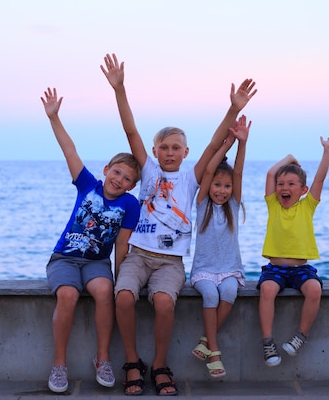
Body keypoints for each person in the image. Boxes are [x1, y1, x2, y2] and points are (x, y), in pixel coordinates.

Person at [101, 53, 256, 395]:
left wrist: (232, 110)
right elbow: (130, 130)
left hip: (171, 261)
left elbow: (217, 143)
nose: (170, 152)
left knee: (164, 303)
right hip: (139, 254)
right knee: (124, 296)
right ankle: (132, 362)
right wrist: (120, 89)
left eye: (176, 148)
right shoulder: (150, 171)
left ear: (186, 152)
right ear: (155, 152)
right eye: (164, 148)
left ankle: (159, 364)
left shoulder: (191, 179)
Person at [41, 87, 142, 393]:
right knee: (68, 295)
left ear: (132, 186)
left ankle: (103, 358)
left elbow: (122, 245)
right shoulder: (87, 185)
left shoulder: (130, 205)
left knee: (103, 291)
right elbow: (69, 150)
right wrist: (54, 117)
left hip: (97, 262)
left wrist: (121, 275)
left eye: (127, 179)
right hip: (65, 258)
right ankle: (59, 364)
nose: (119, 180)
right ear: (106, 169)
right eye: (116, 172)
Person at [257, 136, 329, 367]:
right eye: (281, 184)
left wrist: (327, 151)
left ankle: (300, 336)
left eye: (291, 184)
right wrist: (290, 158)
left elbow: (320, 178)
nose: (284, 188)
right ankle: (267, 342)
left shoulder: (307, 205)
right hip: (275, 269)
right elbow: (269, 174)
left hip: (301, 269)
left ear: (303, 189)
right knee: (266, 289)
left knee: (314, 289)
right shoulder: (273, 204)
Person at [190, 116, 250, 378]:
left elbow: (237, 171)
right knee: (210, 296)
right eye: (217, 185)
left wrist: (242, 144)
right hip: (203, 270)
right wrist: (225, 145)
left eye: (226, 187)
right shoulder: (202, 203)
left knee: (228, 293)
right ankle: (214, 350)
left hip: (229, 269)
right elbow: (207, 171)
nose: (222, 190)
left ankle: (205, 341)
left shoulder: (233, 207)